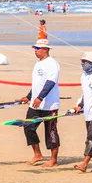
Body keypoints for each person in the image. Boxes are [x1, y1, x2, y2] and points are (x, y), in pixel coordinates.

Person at [19, 39, 61, 167]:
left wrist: (40, 98)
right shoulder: (38, 64)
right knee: (28, 127)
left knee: (51, 132)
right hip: (35, 104)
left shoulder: (53, 64)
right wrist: (29, 96)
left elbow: (50, 83)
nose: (35, 51)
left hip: (50, 105)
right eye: (35, 48)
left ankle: (53, 160)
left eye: (38, 48)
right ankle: (37, 154)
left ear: (46, 49)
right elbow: (37, 84)